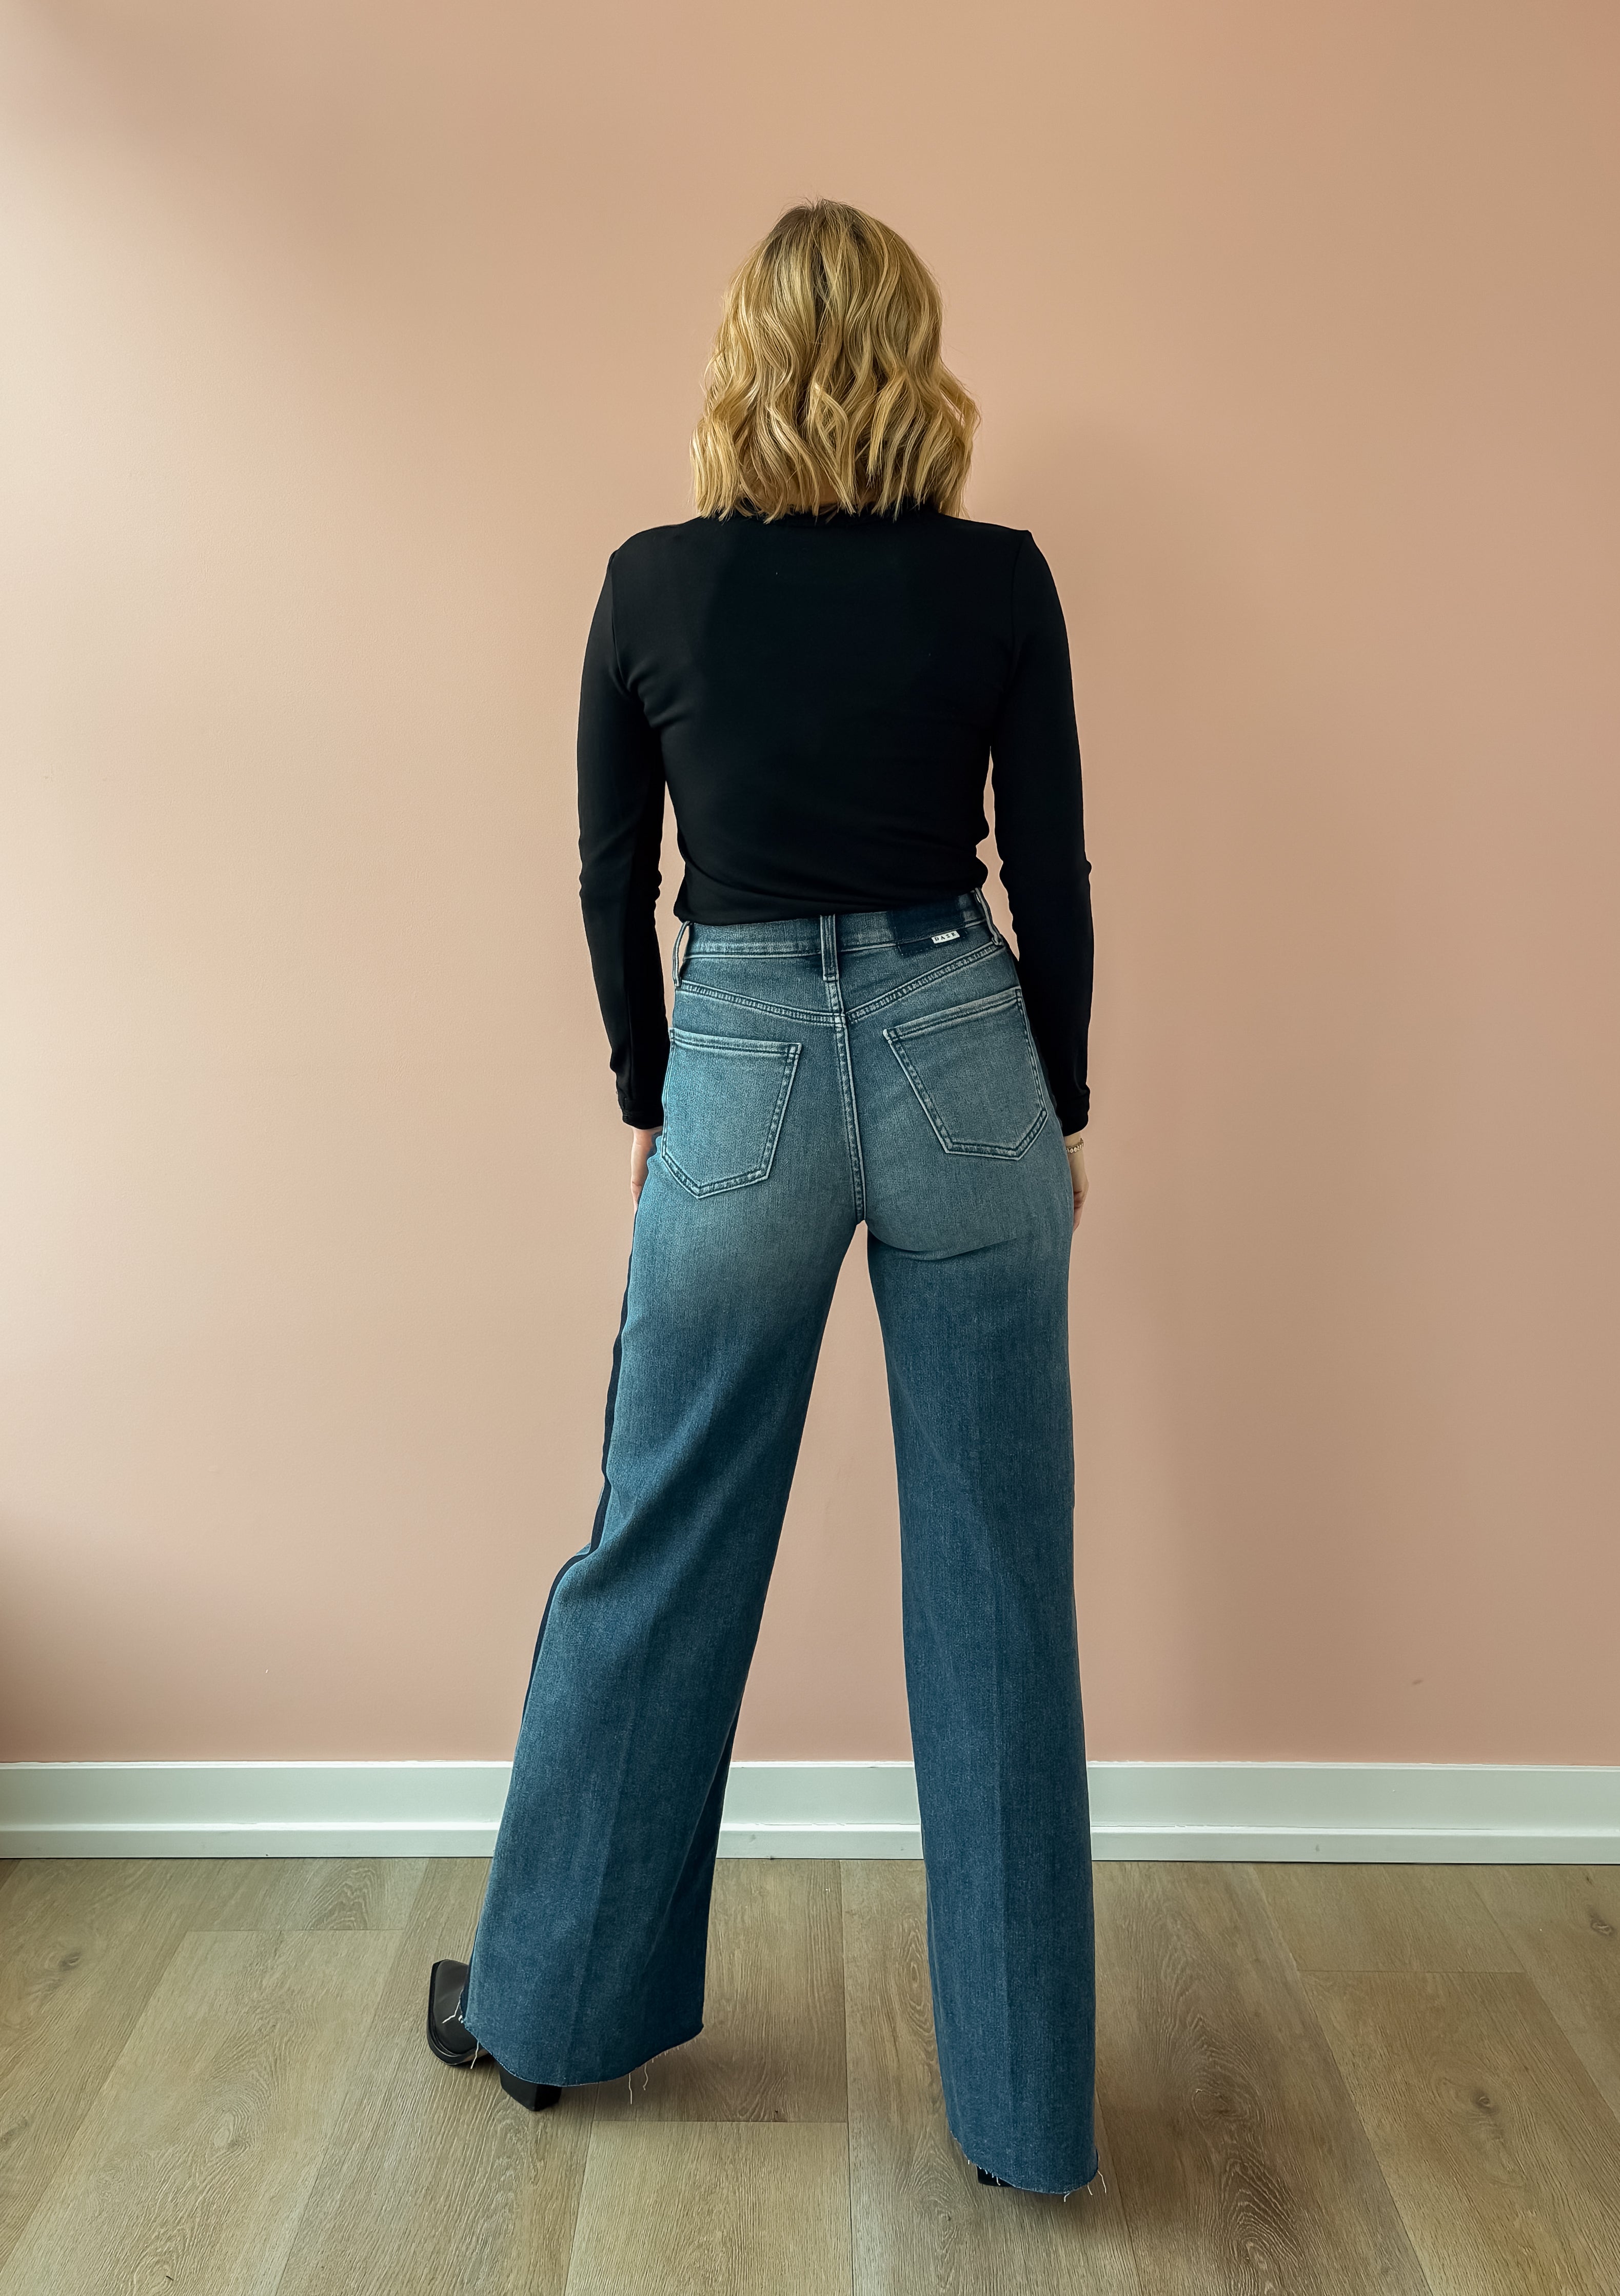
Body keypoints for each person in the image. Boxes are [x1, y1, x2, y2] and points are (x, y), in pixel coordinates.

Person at [425, 198, 1099, 2199]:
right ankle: (1022, 2119)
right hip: (961, 1047)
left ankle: (544, 2015)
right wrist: (1056, 1100)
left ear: (741, 360)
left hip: (739, 1065)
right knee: (1000, 1592)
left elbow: (605, 875)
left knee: (654, 1549)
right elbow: (1050, 869)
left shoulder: (652, 582)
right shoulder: (998, 578)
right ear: (914, 359)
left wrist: (653, 1092)